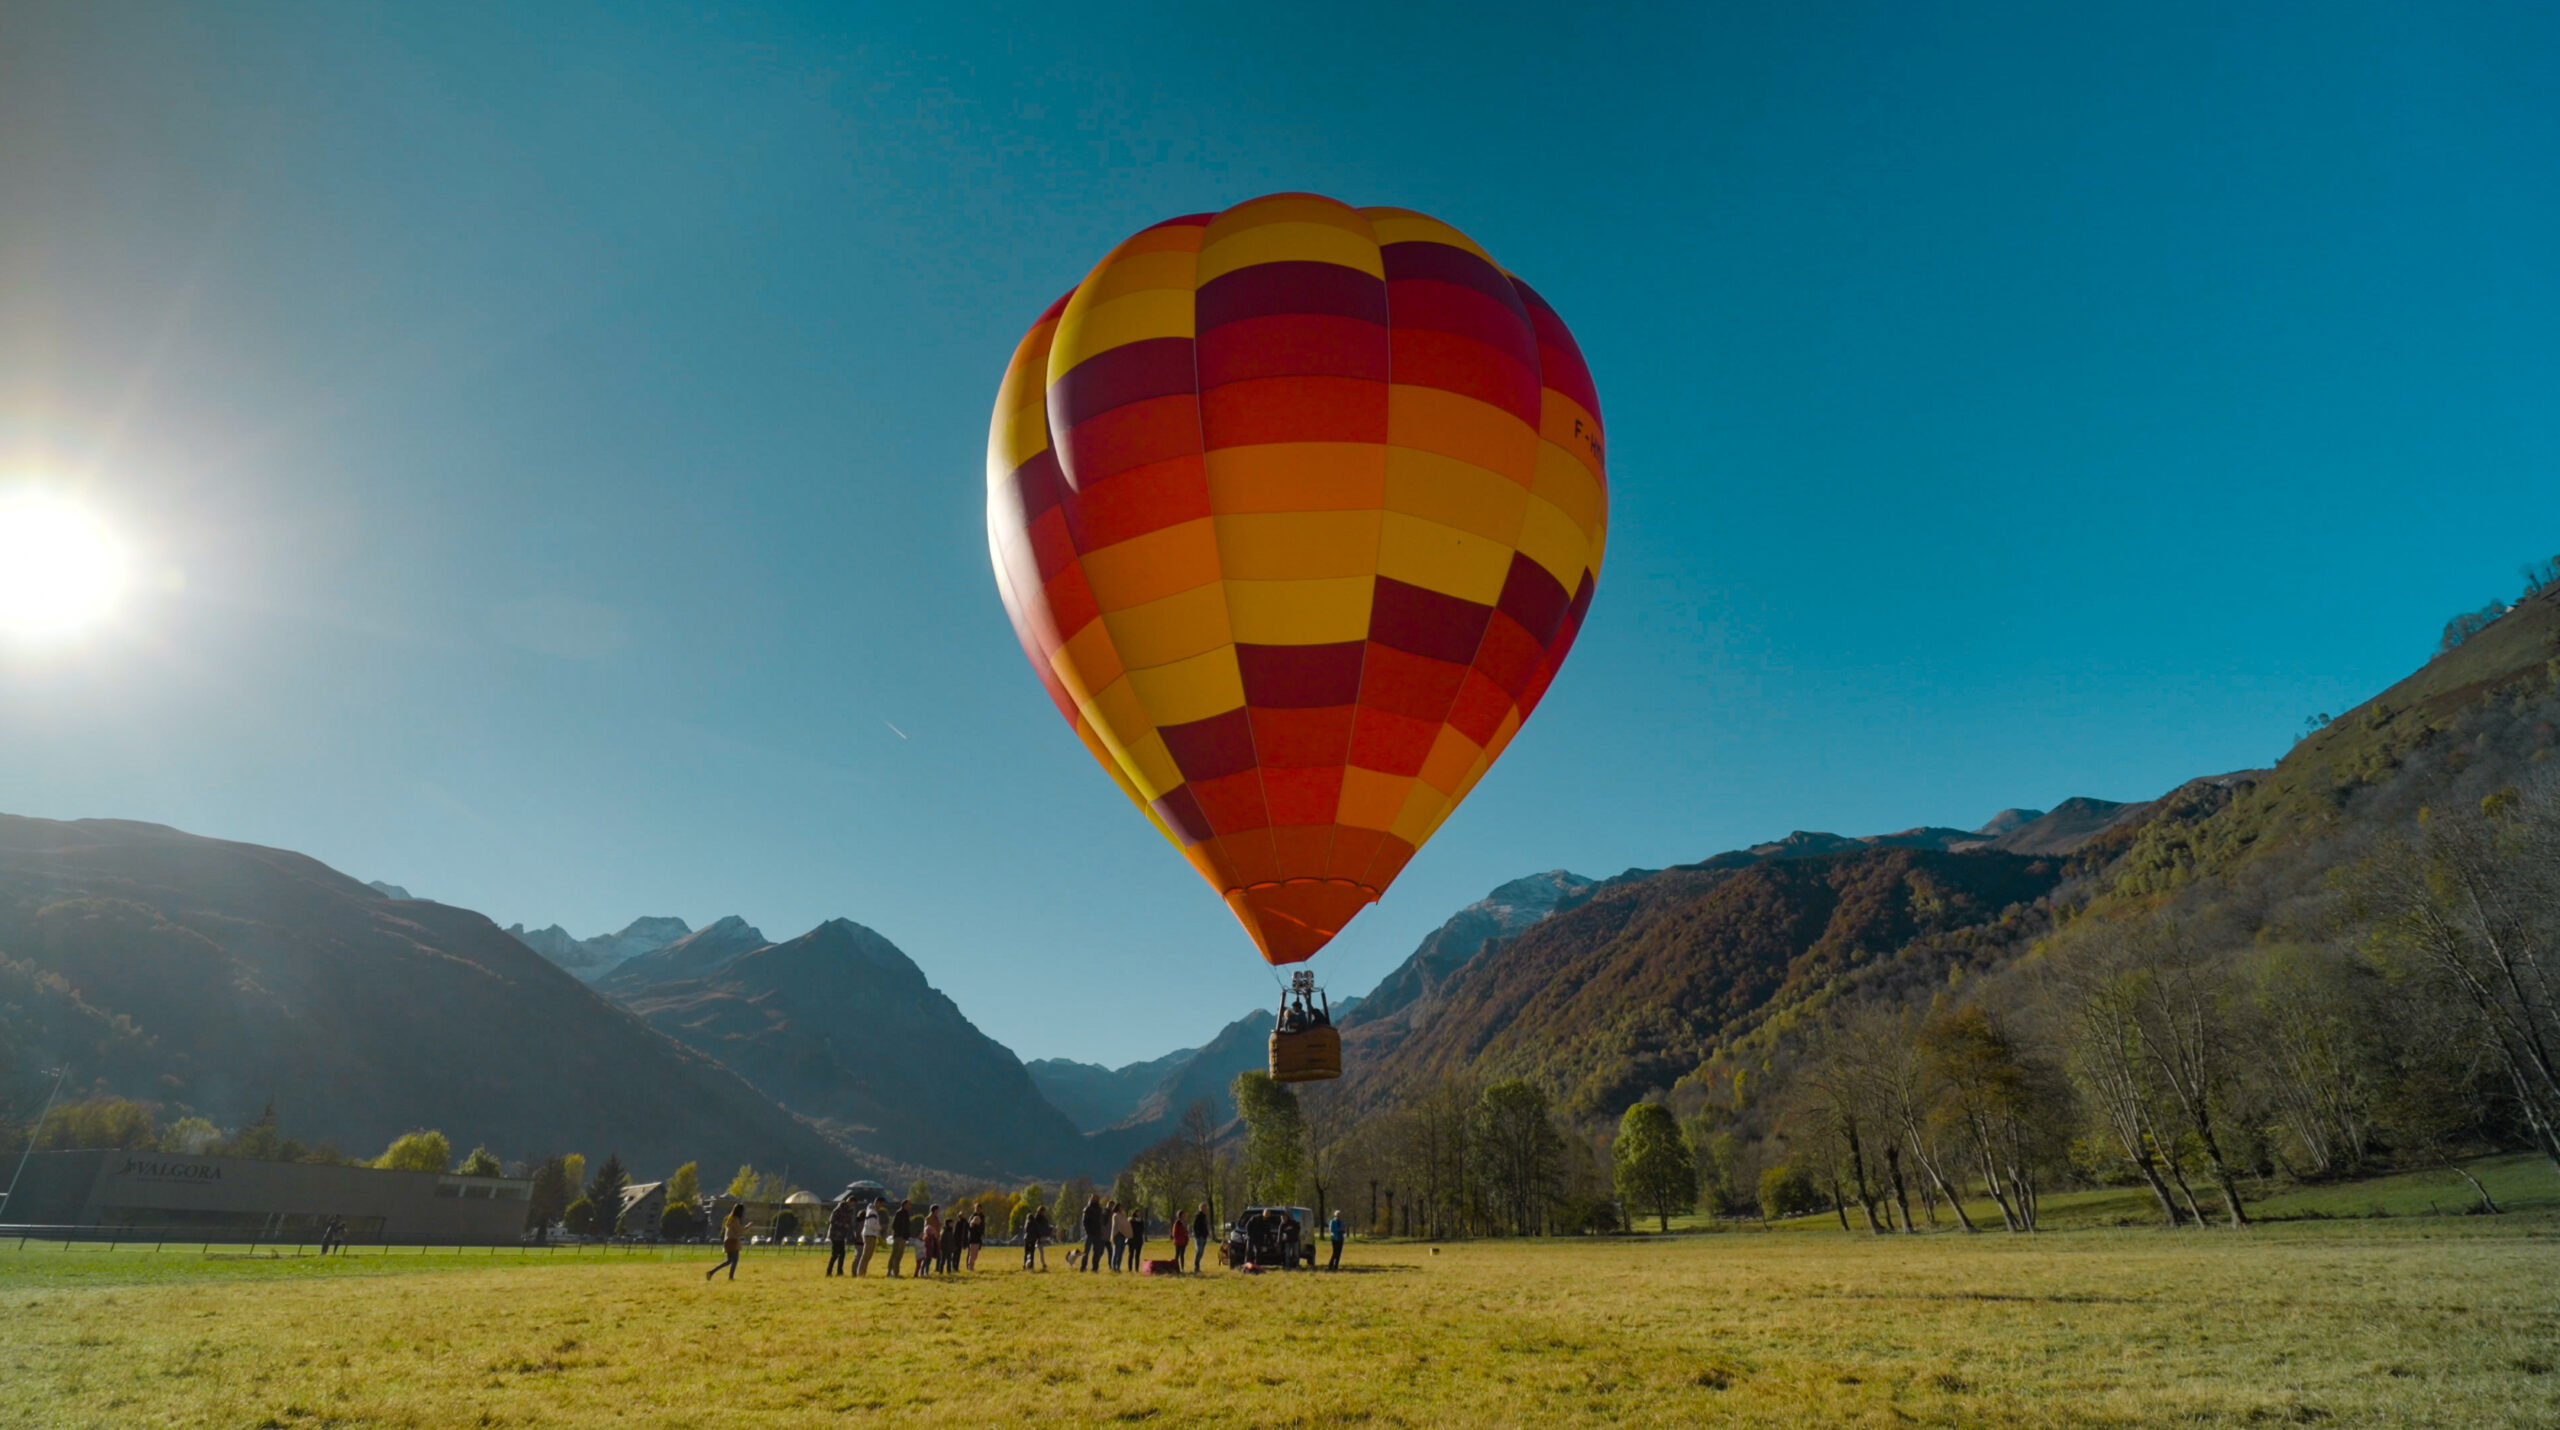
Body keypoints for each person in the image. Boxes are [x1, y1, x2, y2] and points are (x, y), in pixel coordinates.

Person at [705, 1203, 747, 1281]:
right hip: (733, 1242)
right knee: (734, 1261)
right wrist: (748, 1227)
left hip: (728, 1242)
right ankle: (730, 1277)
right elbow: (739, 1231)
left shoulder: (730, 1218)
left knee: (729, 1261)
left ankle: (711, 1272)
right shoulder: (736, 1219)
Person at [826, 1193, 855, 1276]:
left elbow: (849, 1223)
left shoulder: (850, 1211)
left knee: (842, 1254)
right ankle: (829, 1271)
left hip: (842, 1235)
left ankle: (839, 1271)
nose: (853, 1206)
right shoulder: (839, 1209)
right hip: (835, 1234)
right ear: (849, 1202)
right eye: (852, 1203)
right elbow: (832, 1220)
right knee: (835, 1254)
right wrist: (843, 1224)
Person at [855, 1198, 883, 1276]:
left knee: (867, 1256)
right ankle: (861, 1273)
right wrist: (879, 1227)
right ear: (877, 1203)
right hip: (870, 1235)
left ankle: (862, 1272)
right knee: (866, 1255)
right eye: (881, 1204)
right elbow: (871, 1225)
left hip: (870, 1235)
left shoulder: (871, 1210)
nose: (881, 1206)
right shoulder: (872, 1212)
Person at [888, 1199, 914, 1278]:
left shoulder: (906, 1214)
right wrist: (900, 1234)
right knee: (895, 1255)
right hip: (899, 1237)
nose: (910, 1206)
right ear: (904, 1205)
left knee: (899, 1256)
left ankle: (895, 1272)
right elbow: (894, 1225)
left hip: (903, 1237)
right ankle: (892, 1272)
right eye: (909, 1204)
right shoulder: (899, 1213)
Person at [1080, 1193, 1106, 1274]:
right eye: (1094, 1197)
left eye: (1096, 1197)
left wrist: (1101, 1230)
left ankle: (1095, 1268)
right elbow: (1084, 1221)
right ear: (1090, 1198)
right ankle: (1083, 1267)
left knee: (1097, 1252)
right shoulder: (1087, 1209)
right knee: (1086, 1252)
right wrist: (1088, 1231)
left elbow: (1101, 1221)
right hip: (1090, 1233)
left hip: (1097, 1233)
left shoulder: (1099, 1209)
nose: (1095, 1199)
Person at [1108, 1201, 1129, 1272]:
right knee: (1116, 1252)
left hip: (1123, 1235)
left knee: (1121, 1253)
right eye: (1120, 1207)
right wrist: (1113, 1236)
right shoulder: (1115, 1215)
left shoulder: (1123, 1215)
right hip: (1117, 1235)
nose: (1122, 1208)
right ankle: (1113, 1267)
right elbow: (1115, 1226)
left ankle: (1118, 1267)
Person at [922, 1205, 942, 1277]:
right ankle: (924, 1271)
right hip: (930, 1238)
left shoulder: (937, 1218)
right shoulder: (928, 1218)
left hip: (936, 1238)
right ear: (934, 1210)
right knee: (928, 1256)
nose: (938, 1211)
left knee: (936, 1255)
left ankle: (935, 1269)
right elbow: (926, 1229)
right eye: (937, 1210)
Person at [1190, 1204, 1211, 1274]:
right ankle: (1196, 1267)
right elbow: (1195, 1227)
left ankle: (1197, 1266)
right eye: (1204, 1208)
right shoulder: (1198, 1216)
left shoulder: (1205, 1217)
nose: (1205, 1209)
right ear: (1200, 1208)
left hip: (1204, 1236)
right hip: (1199, 1237)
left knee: (1201, 1252)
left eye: (1206, 1208)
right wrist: (1198, 1235)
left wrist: (1207, 1233)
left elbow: (1206, 1226)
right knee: (1199, 1251)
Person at [1129, 1206, 1148, 1270]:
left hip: (1139, 1240)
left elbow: (1142, 1230)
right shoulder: (1131, 1221)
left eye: (1140, 1213)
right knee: (1131, 1255)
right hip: (1132, 1239)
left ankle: (1136, 1269)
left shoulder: (1141, 1221)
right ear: (1135, 1213)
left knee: (1137, 1256)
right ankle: (1130, 1269)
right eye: (1138, 1212)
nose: (1139, 1214)